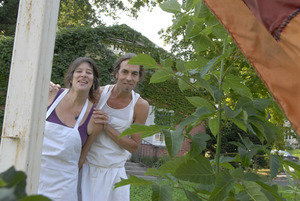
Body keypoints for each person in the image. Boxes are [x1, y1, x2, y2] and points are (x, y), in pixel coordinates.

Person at [79, 53, 150, 201]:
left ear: (138, 78)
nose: (129, 78)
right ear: (116, 73)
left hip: (114, 174)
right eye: (125, 72)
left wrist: (106, 126)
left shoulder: (140, 105)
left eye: (134, 74)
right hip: (87, 168)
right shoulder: (98, 94)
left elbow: (134, 146)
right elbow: (73, 108)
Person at [38, 57, 105, 201]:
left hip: (62, 189)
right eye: (79, 71)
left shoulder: (95, 118)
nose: (83, 75)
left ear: (93, 81)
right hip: (33, 175)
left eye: (89, 72)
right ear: (71, 77)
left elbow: (81, 159)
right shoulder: (50, 94)